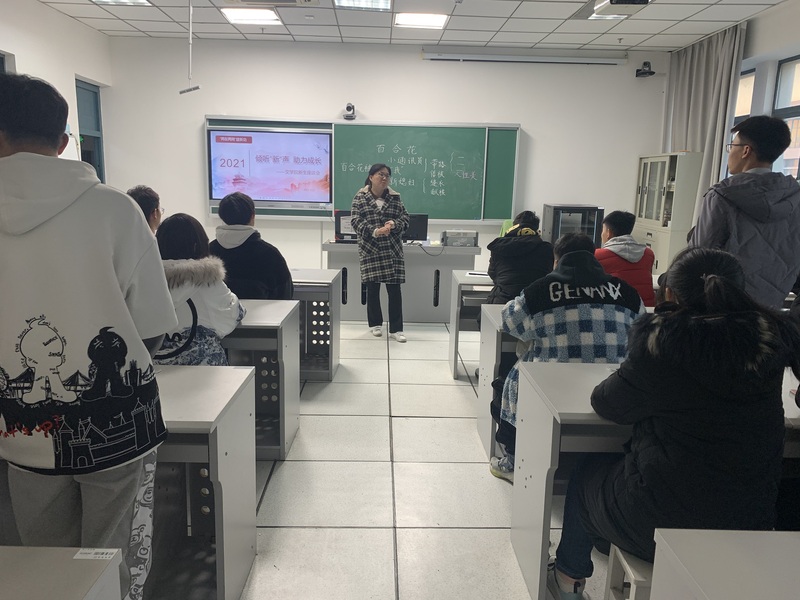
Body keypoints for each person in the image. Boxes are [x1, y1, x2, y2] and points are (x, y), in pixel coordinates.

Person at [0, 73, 177, 600]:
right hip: (118, 424)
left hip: (21, 427)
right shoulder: (115, 209)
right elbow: (153, 325)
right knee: (111, 554)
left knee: (44, 561)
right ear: (63, 141)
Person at [548, 247, 800, 600]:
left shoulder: (663, 342)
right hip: (749, 521)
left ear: (668, 292)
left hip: (659, 523)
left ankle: (567, 579)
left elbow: (607, 403)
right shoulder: (770, 341)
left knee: (586, 473)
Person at [490, 233, 645, 483]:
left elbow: (510, 322)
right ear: (594, 256)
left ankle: (513, 459)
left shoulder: (540, 291)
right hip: (613, 392)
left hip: (550, 391)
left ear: (557, 259)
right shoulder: (626, 292)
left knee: (509, 382)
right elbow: (641, 333)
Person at [689, 115, 800, 308]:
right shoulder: (794, 197)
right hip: (772, 309)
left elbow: (697, 258)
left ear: (745, 151)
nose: (730, 152)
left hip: (722, 306)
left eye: (732, 146)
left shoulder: (722, 195)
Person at [155, 213, 245, 366]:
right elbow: (233, 315)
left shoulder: (143, 278)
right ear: (197, 245)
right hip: (204, 371)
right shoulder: (206, 279)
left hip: (153, 370)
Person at [350, 163, 410, 342]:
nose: (384, 178)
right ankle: (375, 324)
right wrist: (375, 231)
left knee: (395, 290)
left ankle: (396, 329)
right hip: (371, 248)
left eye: (387, 175)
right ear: (371, 177)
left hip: (392, 249)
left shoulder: (395, 197)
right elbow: (355, 221)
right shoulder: (360, 197)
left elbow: (405, 219)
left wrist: (394, 224)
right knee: (372, 288)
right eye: (380, 174)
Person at [209, 191, 293, 300]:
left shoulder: (208, 251)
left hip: (216, 311)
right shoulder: (269, 254)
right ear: (252, 216)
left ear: (222, 217)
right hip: (263, 311)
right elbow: (285, 296)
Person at [486, 210, 554, 306]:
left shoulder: (500, 246)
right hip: (535, 302)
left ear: (514, 226)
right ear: (536, 229)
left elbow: (492, 273)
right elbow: (548, 273)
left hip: (503, 301)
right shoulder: (546, 248)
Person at [595, 210, 655, 306]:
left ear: (608, 232)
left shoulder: (597, 255)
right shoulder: (648, 254)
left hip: (617, 310)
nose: (601, 234)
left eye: (603, 230)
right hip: (646, 309)